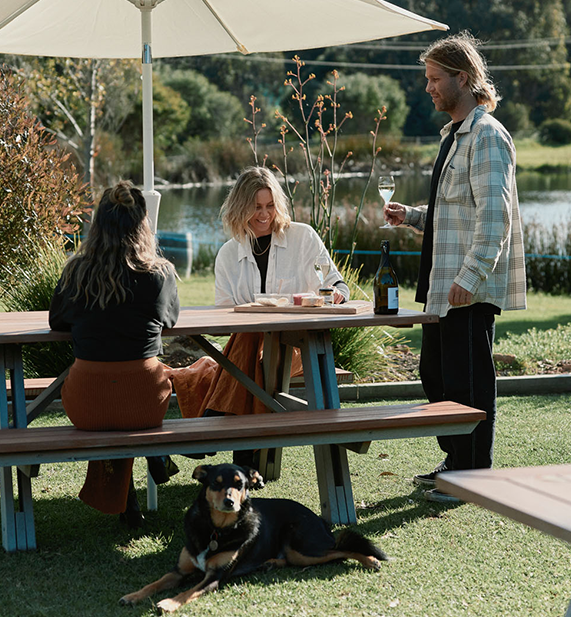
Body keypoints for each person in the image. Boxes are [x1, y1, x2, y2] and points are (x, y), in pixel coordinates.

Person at [383, 32, 527, 503]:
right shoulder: (454, 136)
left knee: (468, 382)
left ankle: (472, 474)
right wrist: (412, 218)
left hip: (466, 288)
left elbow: (494, 217)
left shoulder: (486, 136)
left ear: (462, 78)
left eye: (435, 78)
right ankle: (455, 461)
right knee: (436, 376)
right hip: (443, 286)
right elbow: (456, 215)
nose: (428, 88)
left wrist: (470, 277)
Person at [171, 166, 349, 465]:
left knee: (251, 342)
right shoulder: (229, 254)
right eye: (256, 207)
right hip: (251, 351)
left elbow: (335, 282)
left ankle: (211, 420)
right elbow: (224, 318)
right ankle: (244, 460)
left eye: (270, 206)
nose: (264, 215)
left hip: (295, 349)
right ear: (240, 208)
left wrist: (336, 292)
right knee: (250, 336)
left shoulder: (302, 237)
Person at [49, 181, 180, 527]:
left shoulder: (76, 272)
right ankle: (153, 458)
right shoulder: (159, 274)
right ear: (142, 223)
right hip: (145, 402)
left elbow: (56, 320)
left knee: (109, 385)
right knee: (134, 383)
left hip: (87, 404)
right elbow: (171, 319)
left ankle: (125, 496)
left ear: (98, 224)